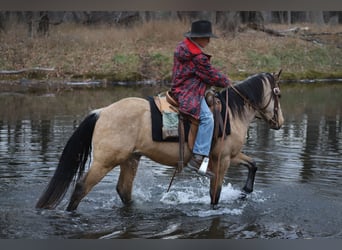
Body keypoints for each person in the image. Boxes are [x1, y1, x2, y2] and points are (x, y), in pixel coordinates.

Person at [171, 20, 231, 177]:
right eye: (206, 37)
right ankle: (197, 158)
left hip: (181, 86)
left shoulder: (183, 48)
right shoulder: (197, 56)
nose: (209, 41)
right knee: (207, 118)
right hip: (189, 91)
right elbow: (210, 74)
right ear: (197, 38)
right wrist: (226, 82)